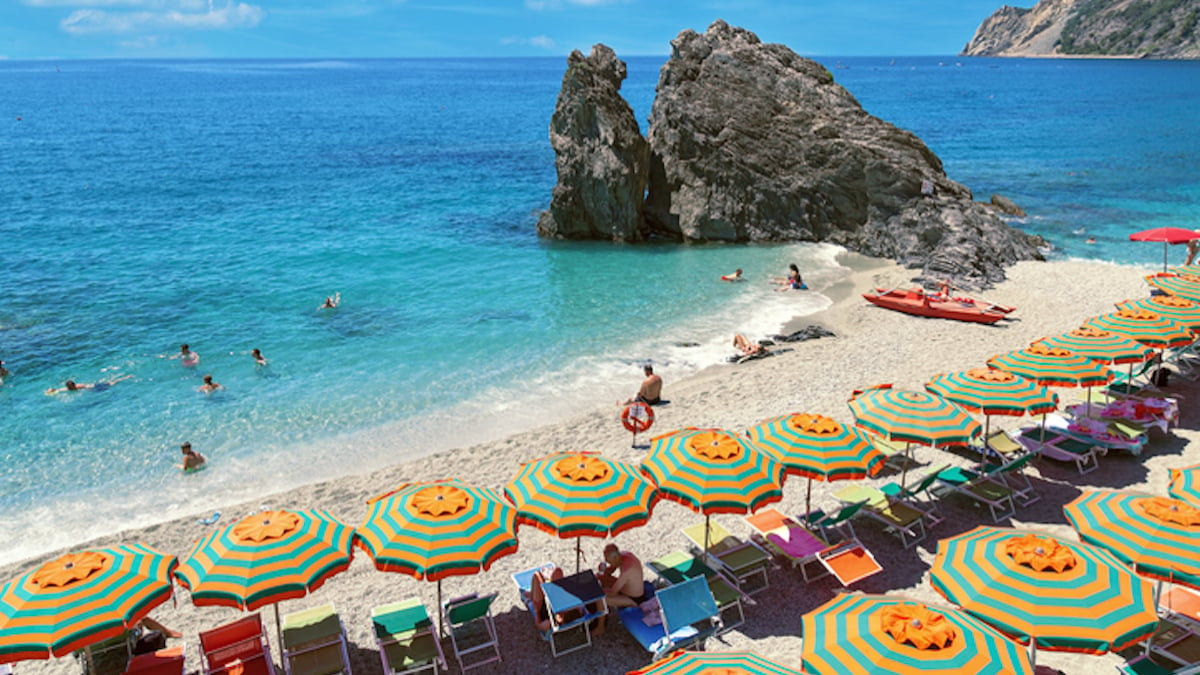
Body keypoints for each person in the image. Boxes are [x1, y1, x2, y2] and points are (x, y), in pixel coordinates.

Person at [598, 543, 646, 609]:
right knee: (603, 579)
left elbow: (612, 592)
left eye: (609, 562)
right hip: (625, 589)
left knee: (602, 600)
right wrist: (604, 570)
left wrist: (598, 591)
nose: (609, 564)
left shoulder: (627, 569)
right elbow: (610, 571)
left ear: (615, 558)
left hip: (634, 598)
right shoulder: (622, 556)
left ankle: (602, 619)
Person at [46, 374, 133, 395]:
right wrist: (50, 391)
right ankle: (124, 378)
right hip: (93, 389)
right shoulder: (68, 389)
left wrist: (91, 388)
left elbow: (87, 386)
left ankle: (126, 377)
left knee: (112, 383)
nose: (70, 387)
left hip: (94, 387)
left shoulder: (78, 386)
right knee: (111, 383)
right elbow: (57, 390)